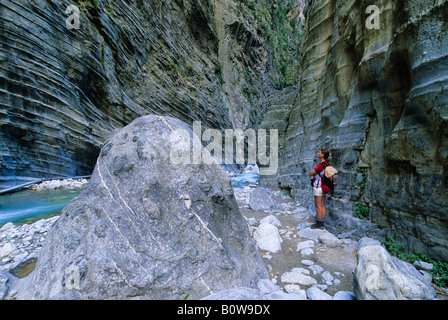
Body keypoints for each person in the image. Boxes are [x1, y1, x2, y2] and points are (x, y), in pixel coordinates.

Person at [308, 149, 330, 229]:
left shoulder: (321, 165)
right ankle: (322, 220)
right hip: (324, 186)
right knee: (323, 204)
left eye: (319, 152)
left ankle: (319, 223)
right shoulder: (327, 164)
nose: (318, 153)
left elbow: (311, 173)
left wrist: (311, 172)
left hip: (319, 186)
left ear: (323, 155)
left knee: (318, 205)